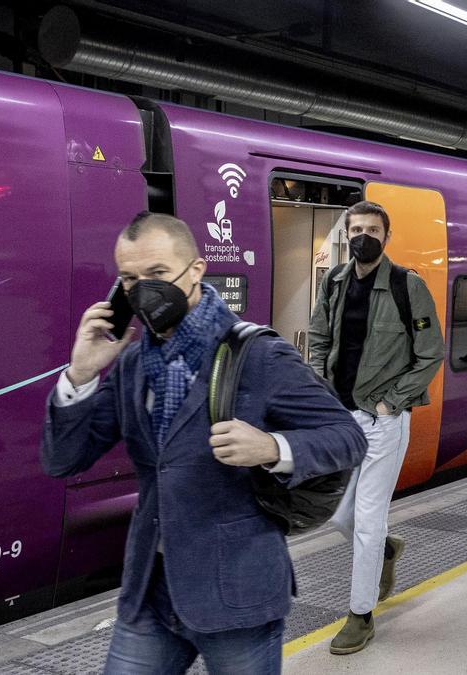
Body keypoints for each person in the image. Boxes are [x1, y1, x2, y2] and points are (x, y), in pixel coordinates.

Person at [41, 212, 367, 674]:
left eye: (157, 274)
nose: (143, 290)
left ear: (195, 270)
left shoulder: (257, 354)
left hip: (235, 593)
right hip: (150, 591)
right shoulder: (132, 362)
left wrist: (273, 447)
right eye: (129, 279)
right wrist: (80, 375)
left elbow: (347, 437)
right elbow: (63, 460)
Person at [308, 201, 445, 655]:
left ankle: (360, 615)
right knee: (339, 515)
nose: (363, 236)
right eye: (356, 229)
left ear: (386, 237)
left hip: (382, 421)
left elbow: (430, 354)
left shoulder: (409, 286)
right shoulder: (333, 281)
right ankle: (387, 551)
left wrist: (393, 401)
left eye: (372, 229)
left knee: (367, 520)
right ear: (347, 235)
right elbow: (319, 338)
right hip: (340, 417)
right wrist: (319, 392)